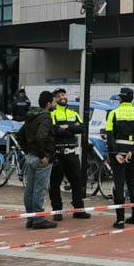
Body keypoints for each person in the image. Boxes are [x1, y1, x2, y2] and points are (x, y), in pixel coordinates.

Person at [105, 87, 134, 229]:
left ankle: (120, 220)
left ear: (120, 99)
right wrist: (133, 151)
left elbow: (110, 136)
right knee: (132, 184)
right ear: (132, 99)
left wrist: (115, 153)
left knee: (119, 185)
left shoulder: (113, 113)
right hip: (133, 155)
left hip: (118, 155)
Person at [48, 89, 90, 221]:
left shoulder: (73, 113)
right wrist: (71, 128)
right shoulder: (52, 113)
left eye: (64, 95)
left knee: (77, 181)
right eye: (59, 96)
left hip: (72, 153)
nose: (62, 97)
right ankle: (57, 210)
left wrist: (66, 127)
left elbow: (82, 128)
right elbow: (55, 131)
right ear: (55, 99)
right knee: (55, 183)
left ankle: (78, 210)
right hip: (58, 153)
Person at [18, 91, 57, 230]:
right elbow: (41, 138)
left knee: (30, 188)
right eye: (53, 101)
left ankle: (30, 217)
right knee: (40, 189)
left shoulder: (31, 115)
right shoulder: (45, 117)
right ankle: (39, 219)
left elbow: (20, 135)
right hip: (41, 158)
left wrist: (28, 151)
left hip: (31, 156)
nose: (55, 104)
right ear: (48, 103)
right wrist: (43, 155)